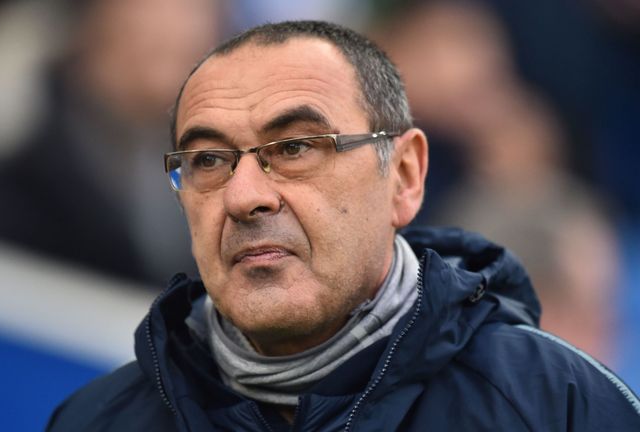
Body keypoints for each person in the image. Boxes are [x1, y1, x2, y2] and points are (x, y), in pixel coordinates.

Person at [46, 21, 640, 431]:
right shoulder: (97, 422)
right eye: (207, 160)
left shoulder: (556, 407)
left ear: (404, 176)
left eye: (298, 146)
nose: (244, 196)